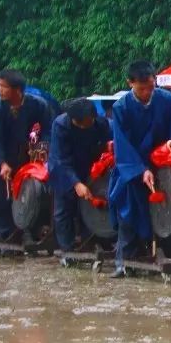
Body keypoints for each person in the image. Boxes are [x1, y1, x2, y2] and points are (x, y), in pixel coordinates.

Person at [109, 60, 171, 278]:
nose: (146, 92)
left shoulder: (166, 99)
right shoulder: (120, 107)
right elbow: (122, 145)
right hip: (131, 166)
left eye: (150, 86)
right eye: (141, 88)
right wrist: (141, 170)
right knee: (128, 211)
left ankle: (170, 257)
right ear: (130, 83)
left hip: (163, 161)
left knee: (170, 209)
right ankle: (124, 261)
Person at [0, 69, 55, 241]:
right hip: (4, 154)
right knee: (0, 194)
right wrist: (2, 163)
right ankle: (2, 237)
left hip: (29, 154)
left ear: (17, 90)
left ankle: (33, 231)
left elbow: (48, 130)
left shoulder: (39, 105)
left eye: (3, 86)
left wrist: (41, 149)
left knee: (32, 193)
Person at [47, 97, 112, 254]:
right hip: (63, 167)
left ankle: (90, 242)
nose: (84, 127)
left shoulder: (102, 124)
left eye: (87, 123)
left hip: (90, 166)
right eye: (80, 124)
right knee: (64, 209)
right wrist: (76, 183)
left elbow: (106, 146)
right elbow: (61, 159)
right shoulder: (61, 125)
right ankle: (66, 248)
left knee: (91, 205)